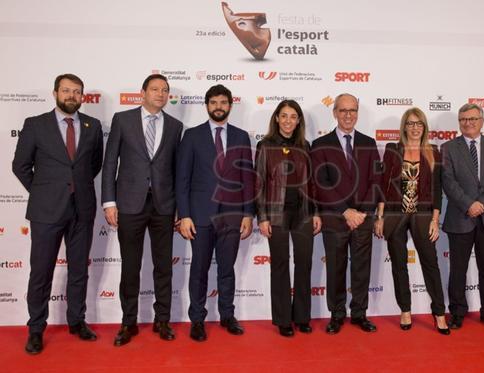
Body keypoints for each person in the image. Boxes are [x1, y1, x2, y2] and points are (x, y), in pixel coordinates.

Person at [13, 73, 103, 354]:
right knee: (41, 272)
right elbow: (21, 166)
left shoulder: (93, 125)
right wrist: (42, 192)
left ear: (82, 96)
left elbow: (94, 164)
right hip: (46, 211)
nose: (72, 96)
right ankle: (36, 328)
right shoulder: (35, 124)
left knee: (79, 270)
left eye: (77, 92)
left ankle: (77, 320)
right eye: (66, 91)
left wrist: (76, 189)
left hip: (83, 209)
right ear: (55, 93)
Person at [102, 74, 183, 346]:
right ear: (143, 92)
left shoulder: (175, 125)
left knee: (163, 267)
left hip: (163, 205)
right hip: (129, 203)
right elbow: (110, 162)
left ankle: (163, 320)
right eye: (155, 89)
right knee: (131, 267)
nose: (160, 94)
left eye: (165, 90)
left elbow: (176, 170)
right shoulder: (122, 120)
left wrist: (179, 209)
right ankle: (128, 322)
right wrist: (109, 202)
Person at [176, 84, 255, 341]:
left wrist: (248, 214)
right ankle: (197, 319)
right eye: (214, 102)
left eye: (223, 102)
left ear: (230, 105)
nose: (218, 106)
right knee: (198, 268)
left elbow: (247, 178)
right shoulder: (191, 136)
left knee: (227, 269)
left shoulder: (242, 137)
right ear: (207, 105)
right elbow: (182, 179)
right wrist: (184, 215)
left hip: (232, 215)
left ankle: (227, 315)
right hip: (199, 216)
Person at [374, 107, 449, 335]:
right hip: (395, 214)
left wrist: (435, 220)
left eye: (419, 124)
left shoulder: (434, 152)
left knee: (431, 264)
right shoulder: (392, 149)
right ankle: (405, 310)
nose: (415, 127)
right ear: (404, 126)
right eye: (411, 123)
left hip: (423, 214)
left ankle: (439, 313)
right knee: (399, 264)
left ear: (424, 127)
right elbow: (383, 184)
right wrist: (379, 217)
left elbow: (437, 190)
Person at [311, 93, 381, 334]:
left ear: (357, 113)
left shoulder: (369, 143)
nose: (348, 115)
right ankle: (337, 314)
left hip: (362, 218)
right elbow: (321, 184)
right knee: (336, 268)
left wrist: (363, 213)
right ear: (335, 113)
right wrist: (345, 210)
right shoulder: (320, 145)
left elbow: (376, 181)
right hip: (335, 218)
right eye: (343, 110)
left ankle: (359, 313)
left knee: (362, 268)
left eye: (352, 110)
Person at [255, 100, 322, 337]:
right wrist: (262, 217)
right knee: (281, 265)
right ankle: (283, 319)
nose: (288, 121)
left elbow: (313, 184)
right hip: (276, 213)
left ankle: (302, 317)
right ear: (276, 118)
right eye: (283, 116)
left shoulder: (306, 146)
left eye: (293, 116)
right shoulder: (265, 145)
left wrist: (314, 213)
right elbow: (259, 183)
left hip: (303, 213)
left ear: (299, 121)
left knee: (304, 264)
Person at [441, 103, 484, 331]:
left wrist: (482, 204)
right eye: (463, 119)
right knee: (457, 269)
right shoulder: (448, 148)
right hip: (461, 216)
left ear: (481, 120)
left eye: (472, 119)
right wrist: (469, 204)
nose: (467, 123)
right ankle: (457, 312)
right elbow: (448, 181)